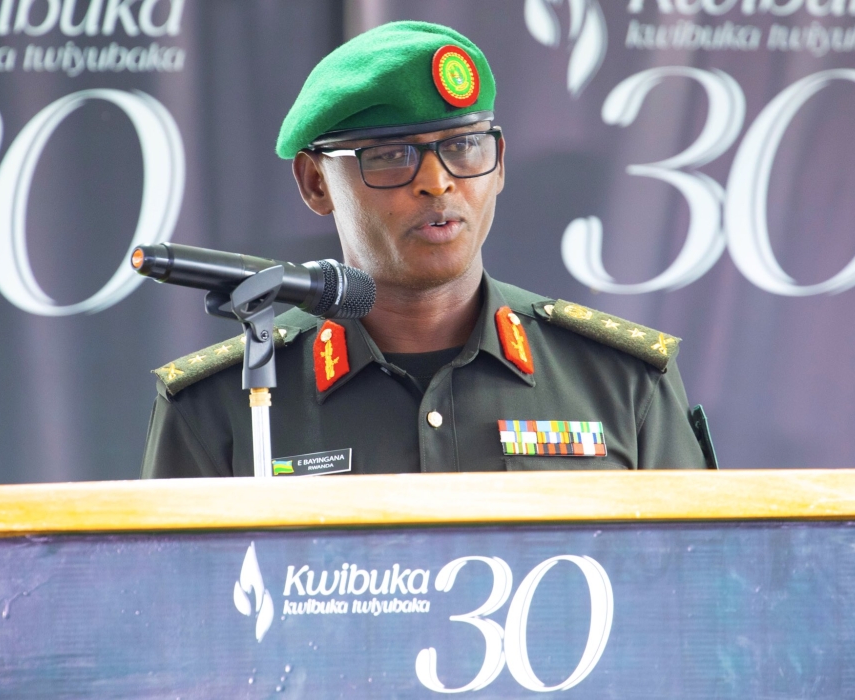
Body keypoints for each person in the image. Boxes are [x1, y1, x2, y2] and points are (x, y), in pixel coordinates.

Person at [141, 21, 712, 478]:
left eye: (464, 146)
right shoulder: (222, 406)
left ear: (500, 164)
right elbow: (173, 613)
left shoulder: (621, 382)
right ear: (316, 183)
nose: (438, 182)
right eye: (391, 155)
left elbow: (692, 598)